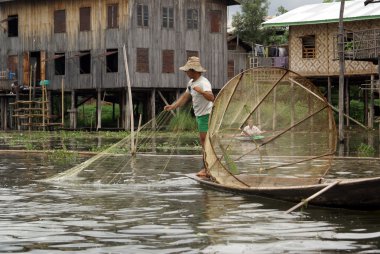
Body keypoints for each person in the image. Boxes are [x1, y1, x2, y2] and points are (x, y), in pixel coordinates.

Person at [164, 56, 214, 177]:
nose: (186, 73)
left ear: (194, 71)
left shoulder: (203, 82)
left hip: (206, 114)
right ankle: (208, 166)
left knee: (205, 142)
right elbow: (185, 97)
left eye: (187, 70)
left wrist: (201, 91)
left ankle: (206, 168)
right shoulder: (191, 83)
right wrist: (173, 106)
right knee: (205, 141)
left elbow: (211, 97)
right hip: (200, 116)